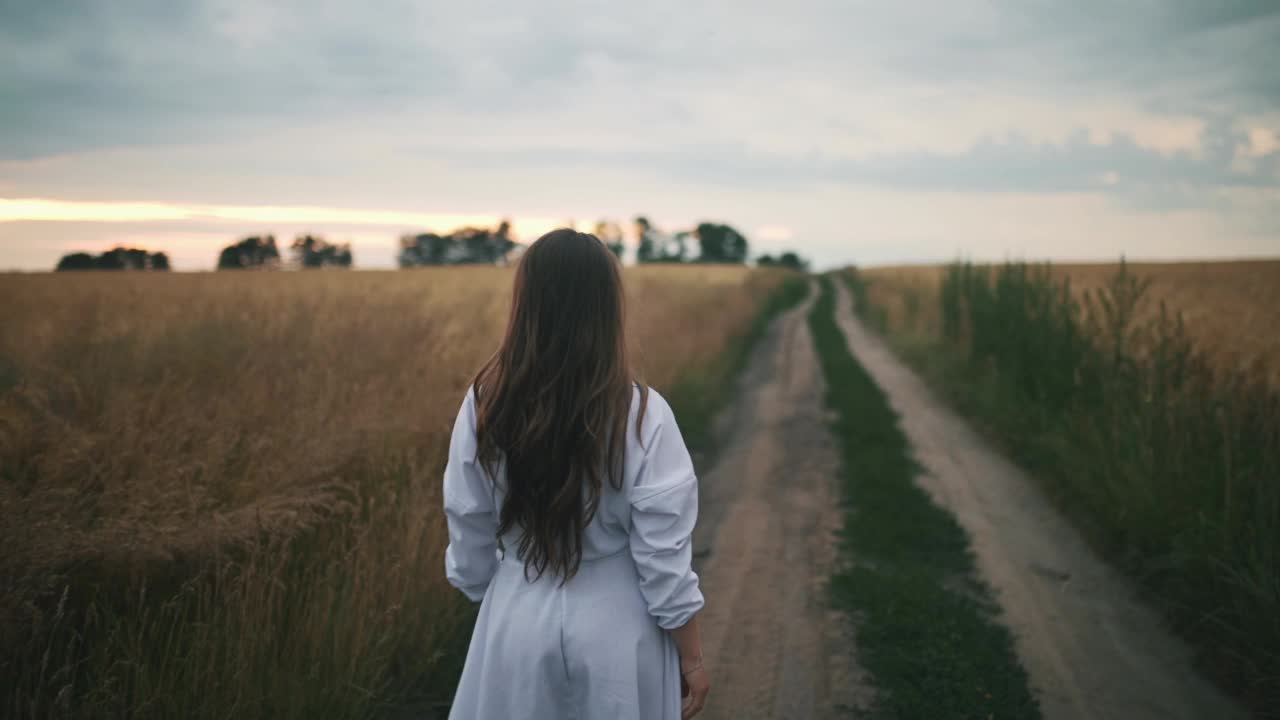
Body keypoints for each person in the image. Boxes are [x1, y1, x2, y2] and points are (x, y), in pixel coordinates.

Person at [443, 228, 711, 719]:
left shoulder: (485, 404)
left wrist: (503, 591)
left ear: (525, 304)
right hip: (619, 632)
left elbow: (467, 522)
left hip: (515, 617)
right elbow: (663, 558)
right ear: (607, 308)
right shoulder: (644, 414)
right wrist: (691, 657)